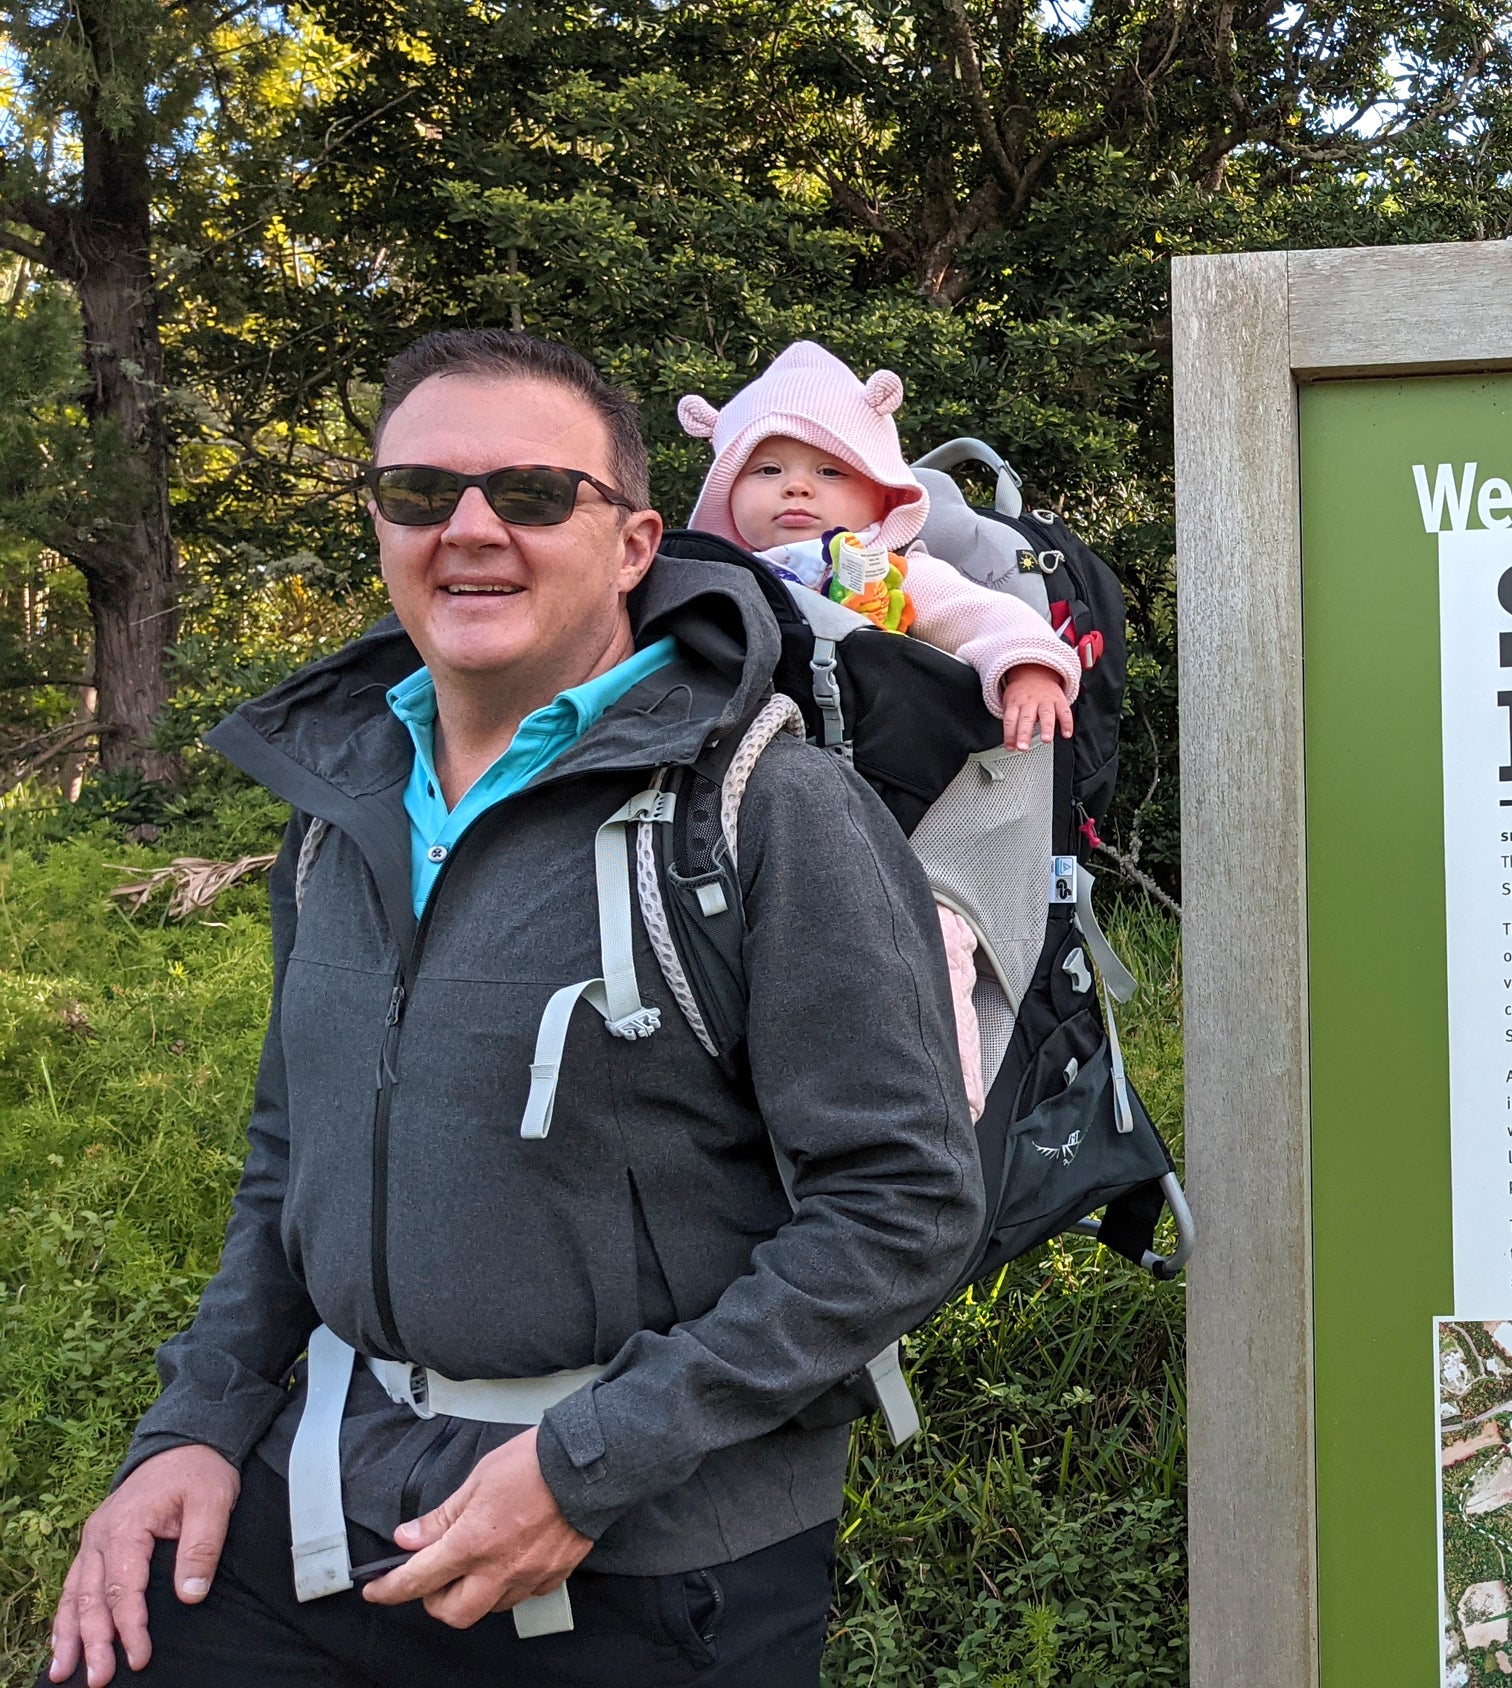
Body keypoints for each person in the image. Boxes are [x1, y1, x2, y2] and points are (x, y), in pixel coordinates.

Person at [42, 329, 987, 1686]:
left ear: (632, 542)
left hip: (657, 1558)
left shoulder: (768, 809)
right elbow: (285, 1166)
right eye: (422, 492)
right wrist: (193, 1427)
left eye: (534, 495)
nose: (470, 528)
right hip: (326, 1497)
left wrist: (582, 1462)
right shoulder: (343, 811)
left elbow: (905, 1204)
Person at [678, 340, 1080, 1109]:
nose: (796, 487)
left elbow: (984, 616)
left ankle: (939, 1117)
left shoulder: (888, 570)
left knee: (928, 937)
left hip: (904, 820)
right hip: (750, 819)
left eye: (829, 471)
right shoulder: (706, 583)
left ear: (880, 497)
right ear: (726, 490)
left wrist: (1028, 665)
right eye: (767, 471)